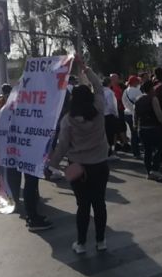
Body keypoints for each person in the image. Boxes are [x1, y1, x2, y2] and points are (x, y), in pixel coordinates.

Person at [49, 57, 111, 255]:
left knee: (82, 205)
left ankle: (81, 243)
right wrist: (86, 69)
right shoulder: (99, 109)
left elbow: (62, 145)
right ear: (90, 97)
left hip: (77, 167)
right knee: (99, 203)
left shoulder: (68, 120)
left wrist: (52, 164)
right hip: (100, 164)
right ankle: (101, 241)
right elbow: (99, 87)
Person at [134, 80, 162, 181]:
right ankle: (155, 169)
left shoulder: (138, 99)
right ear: (150, 89)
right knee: (159, 148)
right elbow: (158, 113)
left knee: (147, 150)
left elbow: (135, 114)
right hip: (154, 128)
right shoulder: (153, 99)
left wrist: (135, 125)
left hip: (142, 128)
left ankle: (149, 171)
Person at [121, 75, 142, 159]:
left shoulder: (125, 91)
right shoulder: (137, 91)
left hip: (127, 113)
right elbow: (141, 101)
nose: (138, 83)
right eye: (137, 81)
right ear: (134, 82)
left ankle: (135, 151)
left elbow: (123, 101)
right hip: (134, 114)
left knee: (133, 133)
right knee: (136, 133)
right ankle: (137, 152)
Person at [102, 77, 120, 161]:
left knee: (104, 135)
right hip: (109, 115)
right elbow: (111, 105)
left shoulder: (100, 91)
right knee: (110, 135)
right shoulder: (109, 92)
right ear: (109, 83)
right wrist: (116, 114)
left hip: (101, 116)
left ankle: (104, 153)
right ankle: (109, 154)